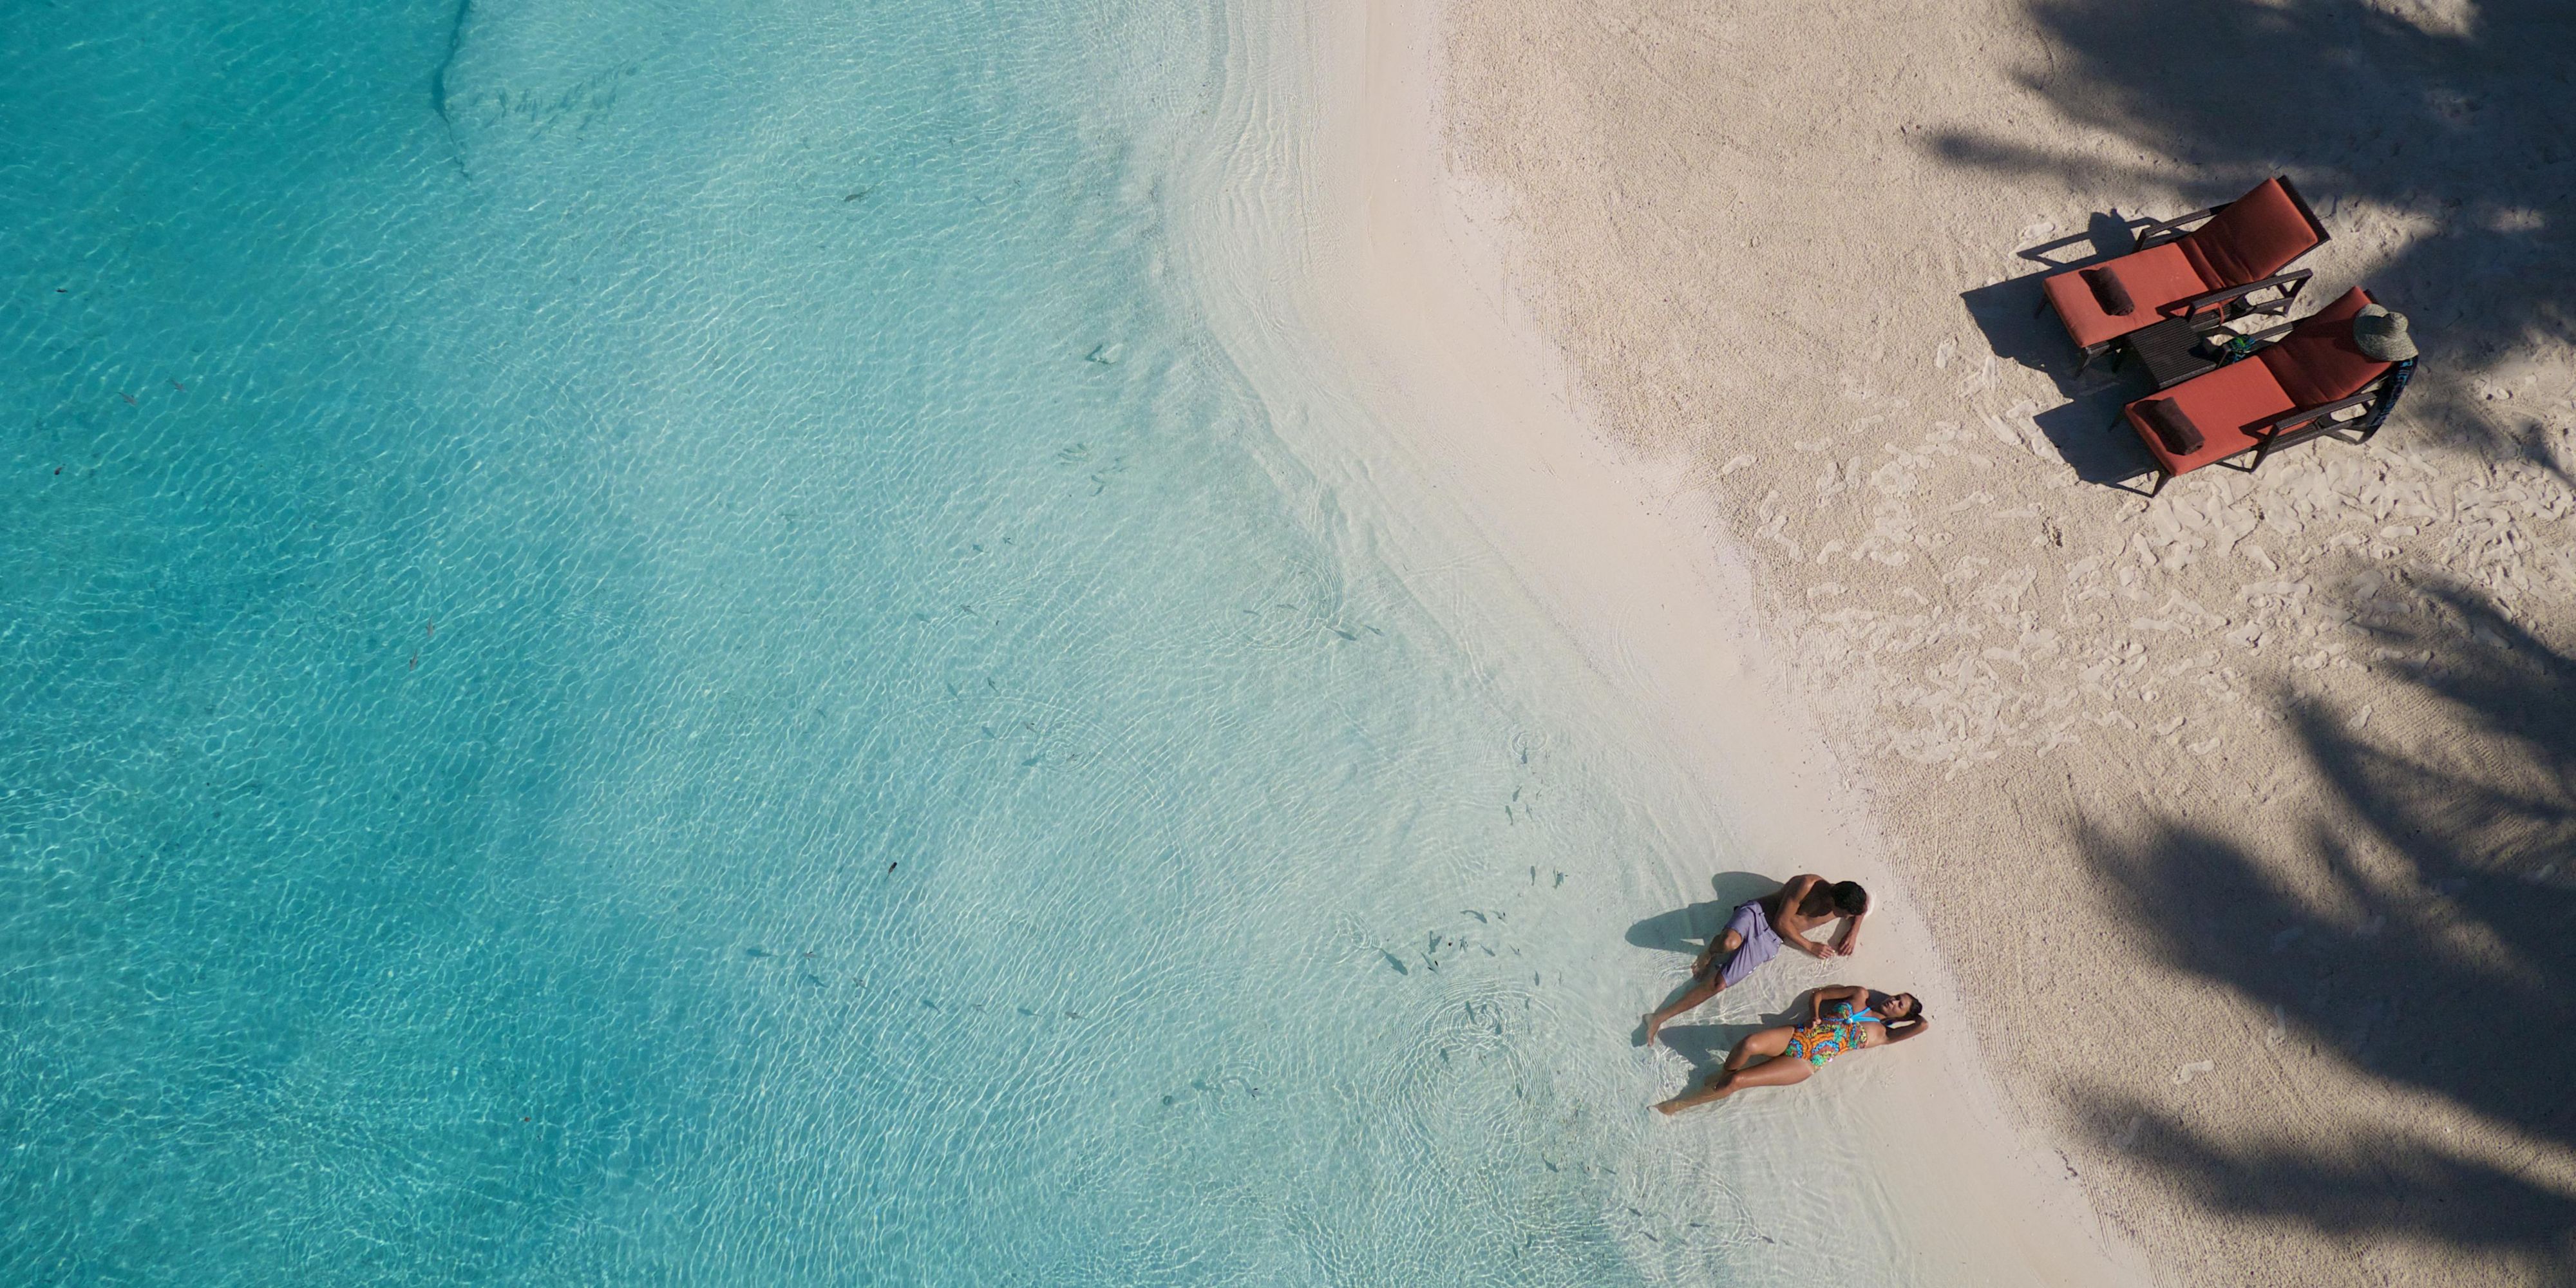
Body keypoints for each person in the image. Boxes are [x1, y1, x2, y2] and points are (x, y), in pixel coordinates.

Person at [1640, 874, 1869, 1045]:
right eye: (1843, 914)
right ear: (1832, 898)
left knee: (1720, 984)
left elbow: (1863, 904)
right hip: (1759, 915)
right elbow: (1781, 922)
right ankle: (1709, 952)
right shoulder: (1807, 885)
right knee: (1729, 943)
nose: (1845, 918)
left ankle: (1658, 1017)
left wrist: (1854, 931)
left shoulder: (1847, 899)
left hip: (1771, 940)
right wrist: (1809, 945)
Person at [1655, 986, 1929, 1113]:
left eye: (1899, 1005)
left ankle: (1679, 1105)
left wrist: (1912, 1017)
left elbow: (1923, 1025)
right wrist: (1814, 1014)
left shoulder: (1883, 1035)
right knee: (1749, 1043)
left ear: (1900, 1016)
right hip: (1798, 1034)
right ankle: (1720, 1072)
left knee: (1739, 1081)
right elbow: (1819, 995)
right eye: (1897, 997)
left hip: (1808, 1062)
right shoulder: (1859, 995)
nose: (1893, 1001)